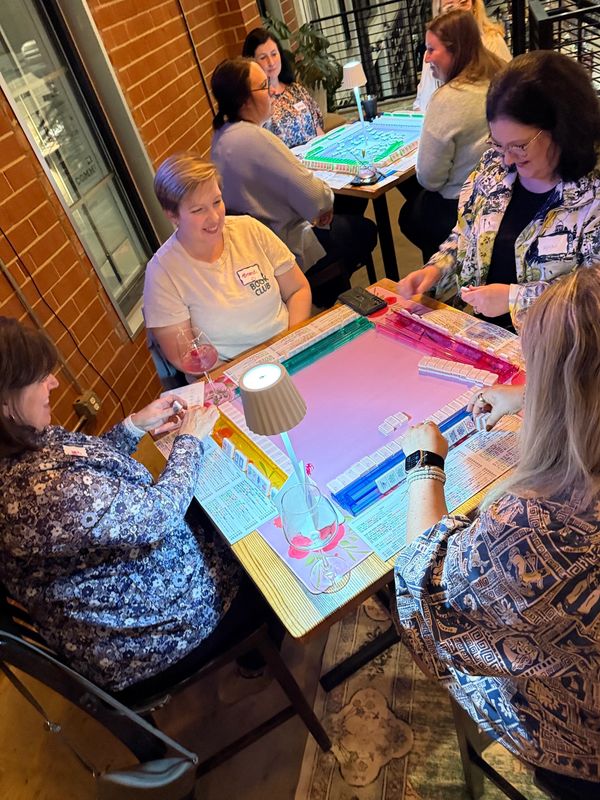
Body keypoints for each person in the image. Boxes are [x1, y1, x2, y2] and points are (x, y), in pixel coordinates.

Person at [395, 268, 600, 790]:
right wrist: (533, 398)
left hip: (578, 742)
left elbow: (427, 583)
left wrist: (424, 463)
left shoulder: (534, 523)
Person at [0, 318, 282, 694]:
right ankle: (255, 655)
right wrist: (189, 440)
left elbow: (84, 466)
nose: (53, 382)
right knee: (270, 561)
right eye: (39, 378)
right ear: (4, 403)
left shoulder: (22, 442)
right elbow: (162, 513)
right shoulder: (35, 494)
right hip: (152, 638)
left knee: (233, 507)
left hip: (139, 583)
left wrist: (135, 425)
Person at [397, 50, 600, 330]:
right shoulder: (495, 165)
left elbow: (592, 299)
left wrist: (513, 299)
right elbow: (466, 235)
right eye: (497, 143)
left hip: (555, 355)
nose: (507, 158)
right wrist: (436, 271)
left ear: (562, 127)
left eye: (519, 146)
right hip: (482, 338)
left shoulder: (593, 193)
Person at [210, 58, 378, 307]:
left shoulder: (220, 138)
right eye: (263, 86)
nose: (271, 92)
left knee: (345, 211)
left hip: (261, 247)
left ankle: (326, 289)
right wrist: (320, 209)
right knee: (364, 229)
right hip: (291, 247)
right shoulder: (255, 138)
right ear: (244, 99)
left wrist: (319, 210)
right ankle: (328, 293)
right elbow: (316, 198)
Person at [143, 155, 311, 373]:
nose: (214, 218)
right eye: (198, 210)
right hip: (232, 374)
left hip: (290, 351)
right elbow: (188, 358)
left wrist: (291, 343)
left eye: (217, 202)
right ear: (172, 216)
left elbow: (298, 289)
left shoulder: (250, 229)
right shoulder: (162, 273)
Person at [399, 10, 504, 261]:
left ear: (455, 50)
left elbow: (430, 179)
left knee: (410, 213)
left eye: (431, 50)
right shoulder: (500, 73)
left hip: (463, 205)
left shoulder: (448, 98)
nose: (426, 58)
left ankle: (442, 275)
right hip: (502, 194)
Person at [414, 0, 511, 114]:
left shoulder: (493, 43)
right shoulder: (430, 55)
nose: (457, 10)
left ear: (475, 6)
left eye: (463, 3)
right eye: (450, 8)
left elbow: (508, 93)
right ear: (439, 13)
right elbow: (420, 102)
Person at [242, 27, 324, 148]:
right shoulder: (255, 102)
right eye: (263, 57)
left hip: (317, 158)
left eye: (274, 54)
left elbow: (318, 130)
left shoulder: (296, 89)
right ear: (252, 63)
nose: (271, 62)